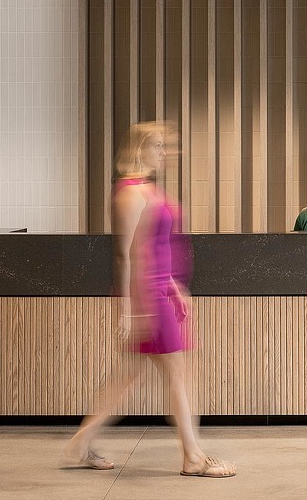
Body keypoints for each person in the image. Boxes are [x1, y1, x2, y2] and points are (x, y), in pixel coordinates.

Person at [65, 122, 235, 478]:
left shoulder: (148, 189)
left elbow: (157, 247)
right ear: (139, 148)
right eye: (157, 145)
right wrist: (130, 309)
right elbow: (126, 254)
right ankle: (192, 457)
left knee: (132, 375)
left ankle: (82, 441)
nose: (164, 152)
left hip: (161, 294)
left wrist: (175, 285)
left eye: (165, 146)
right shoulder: (130, 193)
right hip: (148, 299)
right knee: (178, 374)